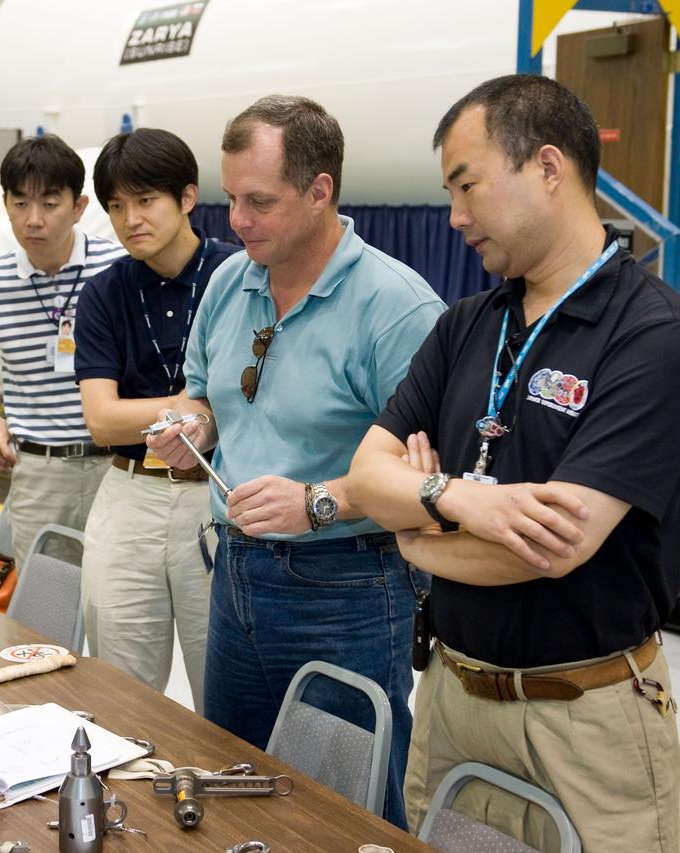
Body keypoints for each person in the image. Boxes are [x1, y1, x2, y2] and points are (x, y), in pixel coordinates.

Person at [348, 75, 680, 851]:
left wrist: (414, 532)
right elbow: (366, 476)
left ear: (548, 167)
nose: (455, 216)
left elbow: (552, 545)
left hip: (584, 718)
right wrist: (460, 500)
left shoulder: (654, 335)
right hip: (451, 698)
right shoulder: (465, 325)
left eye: (467, 185)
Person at [145, 95, 444, 827]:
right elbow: (203, 396)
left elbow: (430, 479)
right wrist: (192, 426)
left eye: (260, 202)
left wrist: (317, 501)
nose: (237, 221)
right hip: (236, 573)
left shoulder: (396, 309)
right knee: (235, 785)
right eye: (230, 199)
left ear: (320, 191)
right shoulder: (231, 281)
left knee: (346, 811)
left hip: (347, 586)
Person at [74, 128, 239, 706]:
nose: (130, 219)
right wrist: (195, 405)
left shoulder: (239, 276)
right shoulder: (103, 293)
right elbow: (102, 420)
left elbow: (256, 400)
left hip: (217, 493)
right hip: (129, 492)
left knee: (221, 681)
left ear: (187, 197)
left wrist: (148, 411)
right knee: (119, 681)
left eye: (145, 200)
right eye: (116, 206)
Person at [0, 135, 125, 562]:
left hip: (117, 467)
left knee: (116, 595)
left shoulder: (117, 270)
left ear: (79, 207)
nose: (33, 220)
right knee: (43, 596)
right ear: (5, 205)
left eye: (50, 204)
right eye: (20, 204)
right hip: (39, 473)